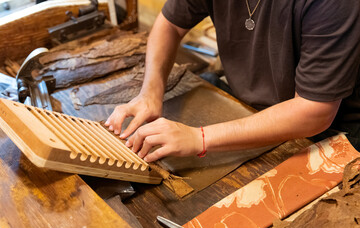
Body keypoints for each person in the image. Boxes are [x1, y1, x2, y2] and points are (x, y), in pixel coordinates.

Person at [105, 0, 360, 162]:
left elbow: (315, 111)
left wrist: (200, 138)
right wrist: (150, 93)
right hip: (247, 100)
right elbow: (170, 25)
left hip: (328, 130)